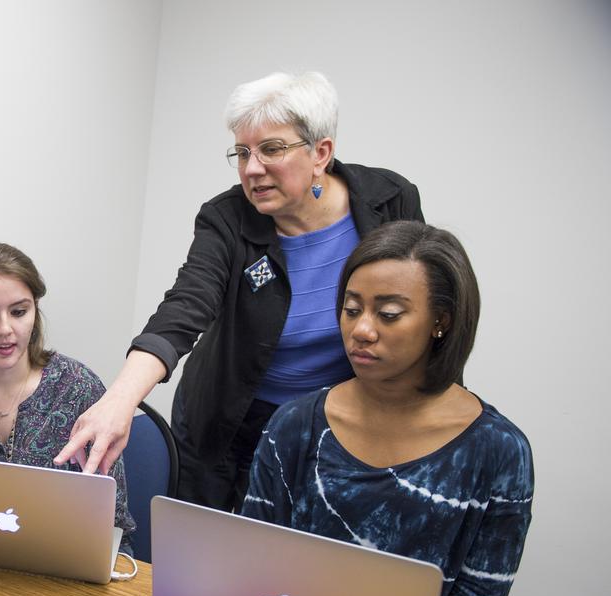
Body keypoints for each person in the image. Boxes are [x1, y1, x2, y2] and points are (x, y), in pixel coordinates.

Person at [55, 71, 425, 512]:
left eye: (271, 149)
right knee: (208, 559)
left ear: (320, 152)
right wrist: (118, 400)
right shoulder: (226, 218)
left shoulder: (390, 201)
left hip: (341, 420)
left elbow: (425, 305)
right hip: (229, 423)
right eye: (243, 152)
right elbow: (186, 306)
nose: (252, 168)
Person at [241, 221, 534, 596]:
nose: (362, 329)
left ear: (441, 321)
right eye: (352, 308)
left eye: (389, 314)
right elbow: (252, 553)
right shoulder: (295, 424)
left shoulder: (498, 450)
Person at [0, 243, 137, 554]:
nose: (5, 329)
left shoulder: (78, 389)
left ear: (35, 311)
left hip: (71, 562)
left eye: (19, 311)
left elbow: (114, 523)